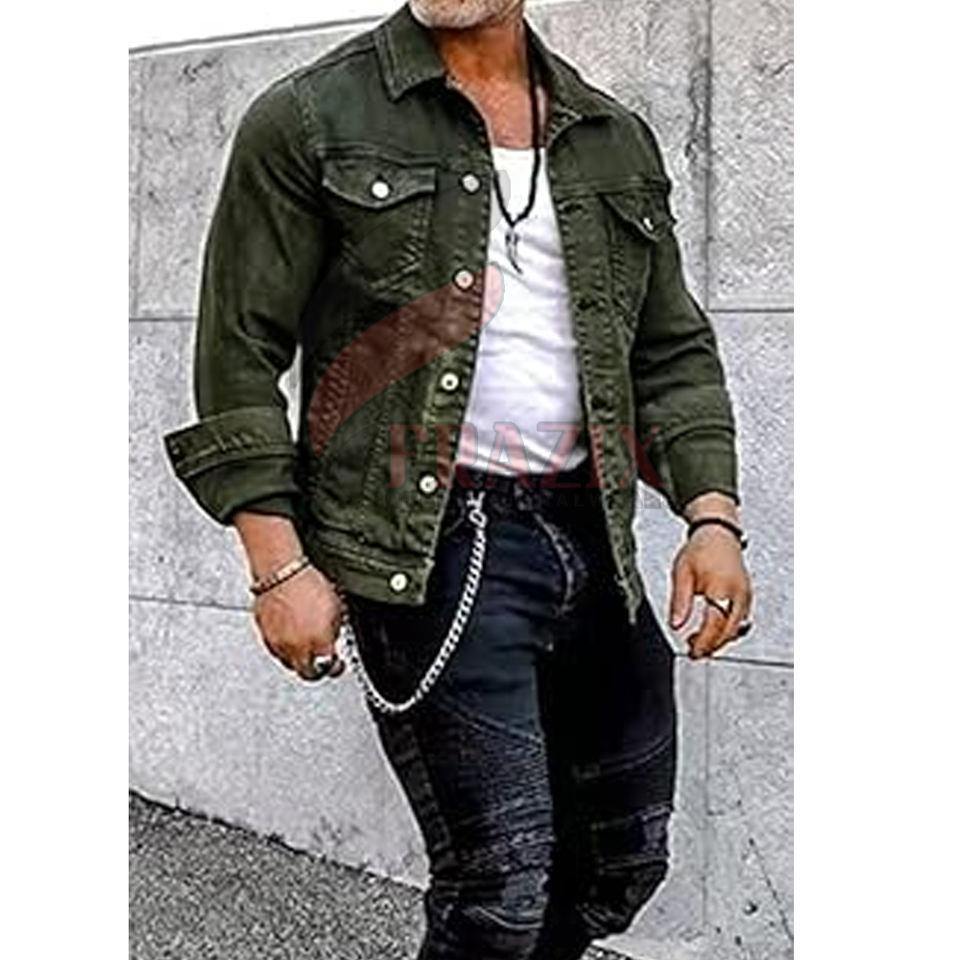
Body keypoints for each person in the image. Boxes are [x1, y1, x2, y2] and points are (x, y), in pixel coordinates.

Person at [164, 2, 753, 957]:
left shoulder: (613, 138)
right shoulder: (309, 118)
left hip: (593, 535)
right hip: (435, 549)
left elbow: (670, 351)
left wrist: (711, 516)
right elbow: (237, 353)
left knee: (622, 862)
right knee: (498, 891)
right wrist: (277, 564)